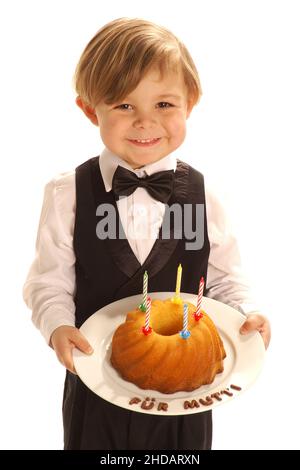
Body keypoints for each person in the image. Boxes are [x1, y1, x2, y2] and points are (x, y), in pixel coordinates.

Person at [23, 17, 271, 450]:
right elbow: (48, 281)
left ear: (190, 103)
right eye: (123, 106)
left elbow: (226, 277)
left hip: (187, 395)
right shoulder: (67, 194)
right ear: (89, 108)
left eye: (164, 105)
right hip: (96, 385)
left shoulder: (205, 194)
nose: (144, 123)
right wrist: (58, 326)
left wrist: (247, 312)